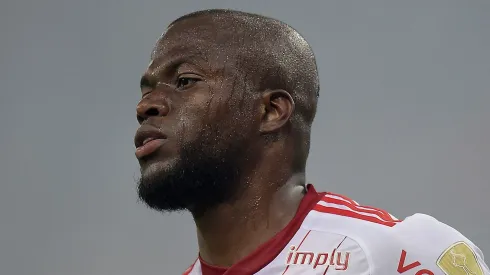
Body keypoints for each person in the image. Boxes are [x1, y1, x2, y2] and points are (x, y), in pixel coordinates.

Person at [134, 9, 489, 275]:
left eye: (184, 81)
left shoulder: (395, 253)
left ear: (272, 111)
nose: (145, 106)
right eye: (147, 89)